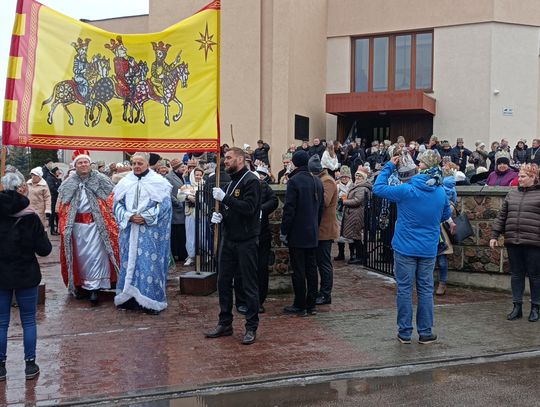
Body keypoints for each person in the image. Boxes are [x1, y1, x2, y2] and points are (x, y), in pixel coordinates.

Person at [373, 150, 451, 345]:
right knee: (425, 290)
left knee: (405, 290)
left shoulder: (407, 189)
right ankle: (425, 332)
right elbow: (444, 215)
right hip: (428, 248)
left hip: (405, 247)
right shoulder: (440, 191)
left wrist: (389, 166)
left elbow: (378, 188)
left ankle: (405, 332)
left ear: (422, 166)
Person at [205, 147, 262, 345]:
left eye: (229, 158)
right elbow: (232, 209)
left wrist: (225, 198)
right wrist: (221, 215)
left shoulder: (251, 181)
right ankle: (225, 322)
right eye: (224, 158)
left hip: (246, 241)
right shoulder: (230, 182)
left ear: (240, 158)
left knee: (248, 285)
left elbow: (249, 208)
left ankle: (251, 326)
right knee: (223, 282)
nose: (225, 161)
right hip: (229, 239)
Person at [0, 173, 52, 381]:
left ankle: (1, 366)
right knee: (29, 320)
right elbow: (44, 250)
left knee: (1, 322)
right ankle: (30, 364)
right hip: (26, 274)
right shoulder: (30, 216)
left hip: (1, 275)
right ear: (21, 188)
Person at [113, 152, 172, 315]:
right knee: (128, 262)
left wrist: (145, 217)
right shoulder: (125, 182)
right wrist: (129, 216)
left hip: (150, 233)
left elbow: (165, 206)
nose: (137, 166)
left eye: (140, 163)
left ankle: (151, 301)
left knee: (149, 265)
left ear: (147, 164)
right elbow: (116, 204)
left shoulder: (160, 182)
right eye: (134, 163)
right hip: (129, 231)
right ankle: (129, 298)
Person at [57, 151, 120, 305]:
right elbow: (62, 206)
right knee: (81, 257)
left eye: (86, 162)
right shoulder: (68, 183)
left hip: (97, 226)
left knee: (97, 256)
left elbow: (112, 199)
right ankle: (82, 285)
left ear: (90, 164)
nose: (84, 165)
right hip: (78, 228)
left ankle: (95, 288)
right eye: (80, 163)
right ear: (75, 166)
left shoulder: (101, 179)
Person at [490, 163, 540, 322]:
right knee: (516, 275)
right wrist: (494, 235)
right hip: (513, 240)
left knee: (535, 276)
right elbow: (502, 217)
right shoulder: (512, 194)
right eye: (519, 176)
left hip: (533, 242)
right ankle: (516, 307)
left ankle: (535, 307)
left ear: (533, 177)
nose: (519, 179)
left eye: (523, 176)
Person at [280, 150, 324, 316]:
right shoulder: (317, 181)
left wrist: (284, 231)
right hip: (312, 232)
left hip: (297, 233)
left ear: (295, 163)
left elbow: (289, 210)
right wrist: (315, 226)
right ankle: (311, 304)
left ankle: (300, 305)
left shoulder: (294, 181)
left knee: (298, 270)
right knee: (311, 269)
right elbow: (321, 209)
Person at [307, 155, 338, 306]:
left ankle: (326, 294)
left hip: (325, 229)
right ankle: (322, 292)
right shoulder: (322, 179)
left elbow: (323, 201)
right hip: (319, 228)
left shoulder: (327, 181)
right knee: (319, 262)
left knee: (324, 263)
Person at [255, 166, 278, 312]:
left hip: (261, 233)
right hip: (244, 235)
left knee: (261, 268)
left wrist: (262, 209)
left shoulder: (262, 185)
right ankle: (244, 300)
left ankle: (259, 300)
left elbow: (274, 201)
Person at [341, 167, 372, 265]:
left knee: (356, 236)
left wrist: (344, 202)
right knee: (354, 236)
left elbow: (357, 201)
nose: (358, 177)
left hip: (357, 214)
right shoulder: (357, 185)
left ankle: (360, 256)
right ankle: (360, 255)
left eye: (360, 175)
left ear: (364, 177)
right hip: (352, 214)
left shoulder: (363, 188)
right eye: (357, 175)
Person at [179, 167, 205, 267]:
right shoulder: (187, 185)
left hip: (202, 213)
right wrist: (187, 197)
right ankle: (191, 255)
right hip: (190, 213)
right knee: (190, 235)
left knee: (203, 235)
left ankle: (204, 254)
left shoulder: (205, 184)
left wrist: (199, 199)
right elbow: (179, 196)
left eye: (200, 175)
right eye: (196, 174)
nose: (198, 176)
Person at [165, 159, 188, 263]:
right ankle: (176, 254)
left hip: (184, 208)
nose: (183, 168)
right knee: (176, 233)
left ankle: (183, 254)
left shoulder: (183, 176)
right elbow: (169, 193)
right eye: (181, 167)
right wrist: (177, 203)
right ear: (176, 168)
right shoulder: (169, 177)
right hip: (176, 209)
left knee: (182, 232)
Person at [335, 165, 355, 261]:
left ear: (349, 177)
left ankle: (352, 254)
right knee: (340, 234)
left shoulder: (353, 186)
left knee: (350, 234)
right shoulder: (337, 186)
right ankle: (341, 253)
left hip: (350, 212)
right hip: (339, 213)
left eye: (346, 176)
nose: (344, 178)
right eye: (342, 176)